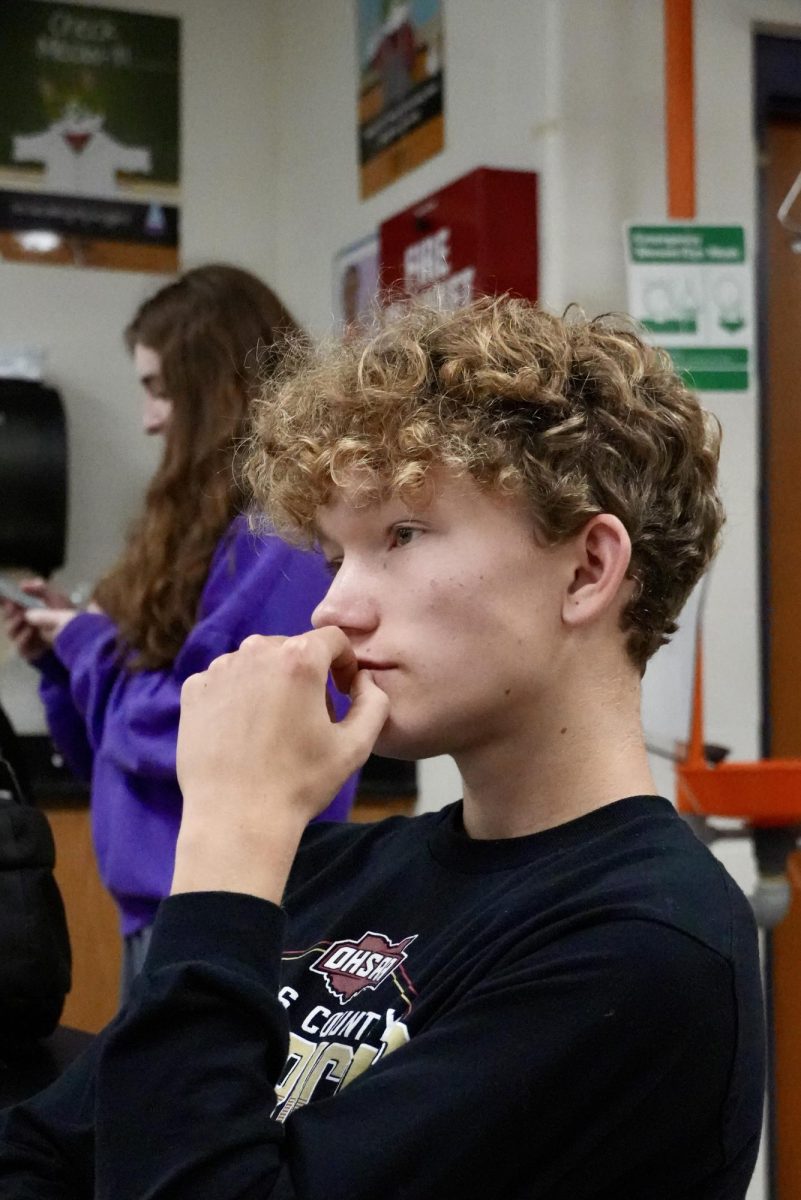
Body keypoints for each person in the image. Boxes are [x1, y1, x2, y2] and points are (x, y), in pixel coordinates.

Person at [0, 296, 764, 1198]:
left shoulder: (645, 950)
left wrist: (230, 840)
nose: (334, 609)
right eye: (334, 557)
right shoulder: (330, 866)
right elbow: (43, 1153)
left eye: (400, 535)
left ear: (588, 569)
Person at [0, 264, 356, 999]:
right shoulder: (213, 541)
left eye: (159, 389)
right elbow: (114, 754)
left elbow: (197, 731)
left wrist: (86, 645)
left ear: (217, 389)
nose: (148, 420)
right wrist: (63, 666)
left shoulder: (284, 542)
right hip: (169, 911)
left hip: (233, 915)